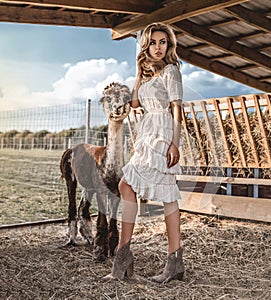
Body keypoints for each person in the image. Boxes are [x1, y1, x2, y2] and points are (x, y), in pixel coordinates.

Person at [103, 22, 184, 283]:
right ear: (145, 46)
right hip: (147, 134)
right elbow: (136, 102)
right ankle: (127, 257)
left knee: (165, 195)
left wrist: (175, 143)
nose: (158, 47)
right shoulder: (149, 74)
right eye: (152, 43)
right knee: (129, 186)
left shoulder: (172, 71)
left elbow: (176, 109)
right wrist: (139, 71)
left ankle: (169, 262)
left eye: (162, 42)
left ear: (169, 45)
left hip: (163, 134)